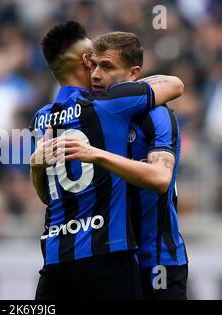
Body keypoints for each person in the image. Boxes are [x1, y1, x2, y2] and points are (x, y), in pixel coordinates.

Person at [29, 21, 184, 300]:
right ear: (84, 61)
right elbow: (174, 84)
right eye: (94, 63)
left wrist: (35, 165)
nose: (97, 73)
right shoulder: (103, 108)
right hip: (112, 254)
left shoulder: (43, 119)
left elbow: (161, 178)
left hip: (154, 258)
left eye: (107, 67)